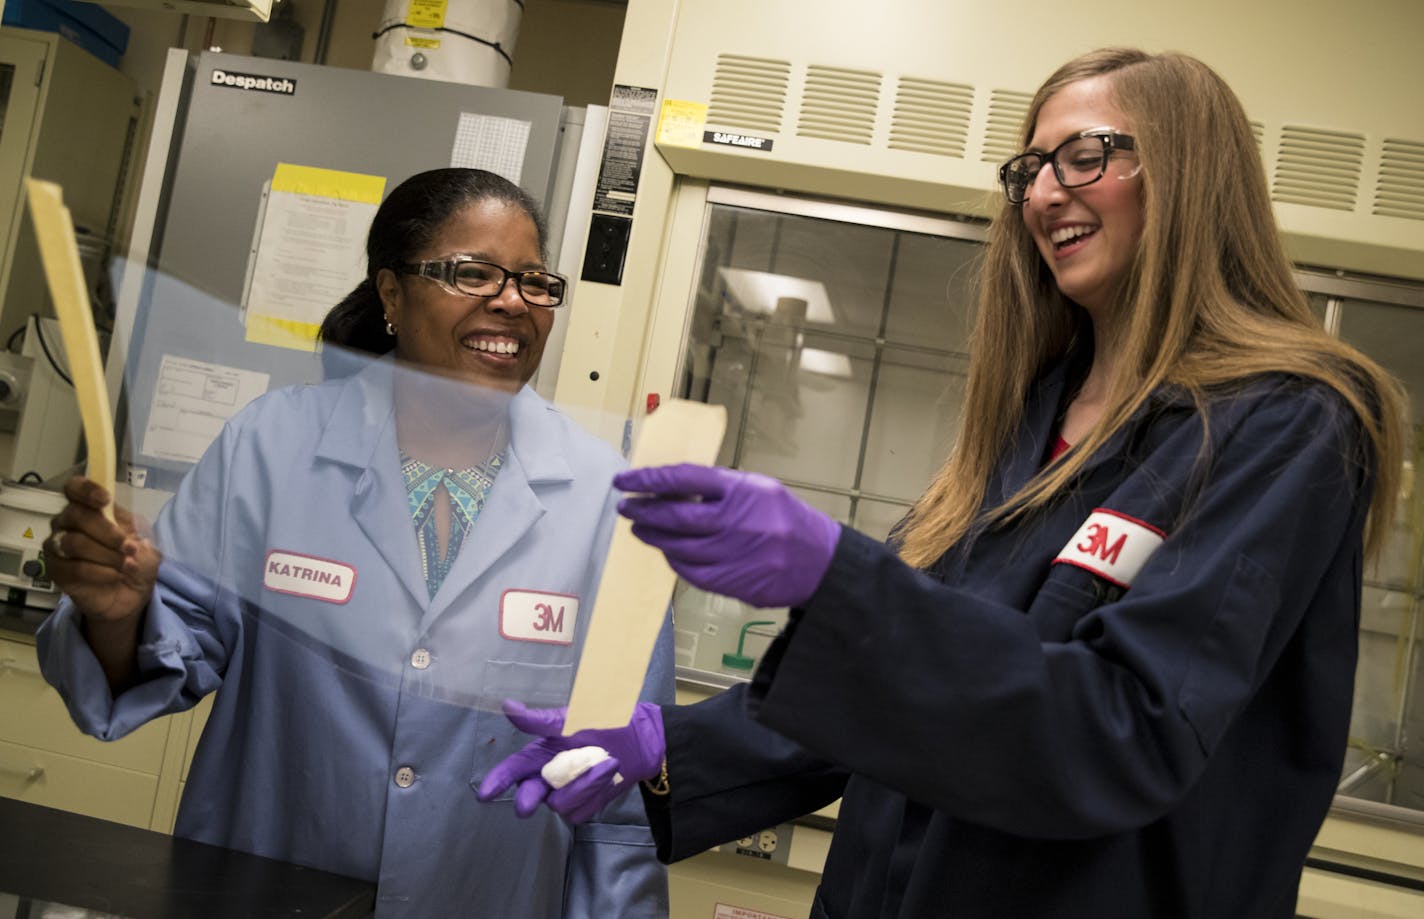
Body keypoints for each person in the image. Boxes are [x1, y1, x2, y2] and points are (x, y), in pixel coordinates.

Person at [477, 49, 1407, 919]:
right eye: (1029, 168)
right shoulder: (1033, 414)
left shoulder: (1286, 420)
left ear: (1193, 178)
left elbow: (1121, 729)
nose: (1043, 193)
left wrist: (836, 577)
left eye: (1085, 156)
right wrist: (668, 748)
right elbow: (909, 693)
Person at [36, 168, 673, 918]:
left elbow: (624, 792)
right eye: (473, 273)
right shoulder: (272, 447)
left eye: (535, 282)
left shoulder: (609, 500)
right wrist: (118, 612)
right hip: (264, 894)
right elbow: (168, 656)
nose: (511, 301)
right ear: (392, 295)